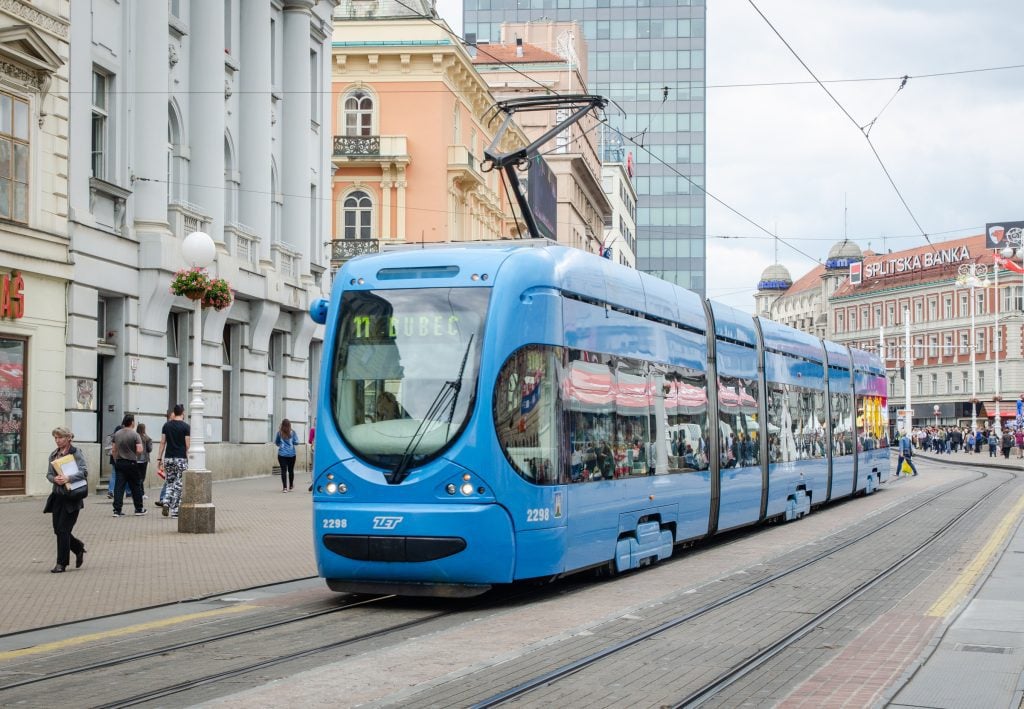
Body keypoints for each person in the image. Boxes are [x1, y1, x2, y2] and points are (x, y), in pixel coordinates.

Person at [44, 427, 88, 573]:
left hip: (72, 497)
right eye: (55, 438)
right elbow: (49, 474)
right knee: (58, 530)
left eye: (60, 438)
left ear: (68, 438)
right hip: (57, 496)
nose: (57, 441)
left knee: (63, 529)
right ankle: (78, 547)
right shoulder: (54, 455)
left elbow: (84, 471)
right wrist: (54, 479)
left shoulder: (76, 453)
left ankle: (61, 563)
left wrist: (69, 478)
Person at [157, 404, 190, 518]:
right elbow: (187, 445)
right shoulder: (186, 427)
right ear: (182, 413)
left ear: (174, 413)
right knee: (179, 484)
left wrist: (159, 458)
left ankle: (166, 502)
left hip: (168, 458)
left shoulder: (166, 426)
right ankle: (175, 511)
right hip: (181, 459)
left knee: (169, 482)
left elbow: (162, 443)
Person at [111, 414, 146, 517]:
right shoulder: (135, 435)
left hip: (120, 462)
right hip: (131, 463)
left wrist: (116, 459)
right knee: (135, 486)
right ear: (132, 422)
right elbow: (140, 449)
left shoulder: (117, 434)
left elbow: (113, 449)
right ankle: (139, 509)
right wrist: (134, 454)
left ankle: (117, 510)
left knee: (119, 487)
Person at [274, 419, 300, 491]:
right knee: (291, 470)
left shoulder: (279, 433)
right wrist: (293, 443)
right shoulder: (293, 433)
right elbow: (297, 442)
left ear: (282, 425)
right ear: (289, 425)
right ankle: (291, 486)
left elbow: (276, 442)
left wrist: (281, 445)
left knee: (283, 471)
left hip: (282, 454)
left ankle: (284, 488)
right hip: (292, 454)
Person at [136, 423, 153, 495]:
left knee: (137, 476)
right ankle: (141, 492)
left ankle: (140, 492)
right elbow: (149, 449)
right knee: (142, 477)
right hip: (144, 460)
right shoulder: (147, 438)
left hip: (135, 459)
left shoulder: (135, 436)